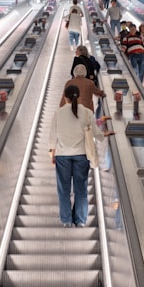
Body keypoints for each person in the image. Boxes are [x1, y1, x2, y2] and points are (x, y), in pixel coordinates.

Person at [49, 85, 112, 227]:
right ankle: (81, 220)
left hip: (63, 155)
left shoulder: (58, 113)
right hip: (82, 156)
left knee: (64, 190)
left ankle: (66, 221)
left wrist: (52, 153)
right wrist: (105, 135)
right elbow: (96, 133)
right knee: (81, 189)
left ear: (65, 97)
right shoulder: (87, 112)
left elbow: (52, 136)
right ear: (78, 96)